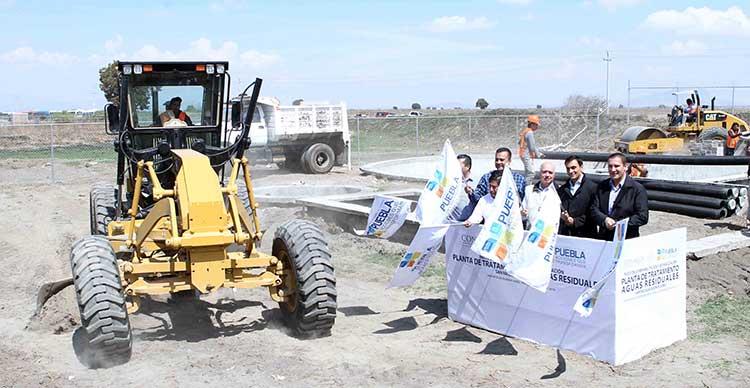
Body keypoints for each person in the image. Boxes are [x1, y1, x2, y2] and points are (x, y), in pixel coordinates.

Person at [590, 152, 649, 240]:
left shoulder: (637, 189)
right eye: (610, 166)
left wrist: (618, 224)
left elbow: (642, 216)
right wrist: (605, 220)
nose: (613, 169)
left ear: (625, 167)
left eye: (616, 166)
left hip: (626, 239)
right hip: (604, 239)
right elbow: (594, 209)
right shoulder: (602, 187)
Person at [558, 156, 598, 238]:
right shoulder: (562, 190)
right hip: (567, 235)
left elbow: (594, 212)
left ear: (581, 167)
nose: (570, 171)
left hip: (586, 235)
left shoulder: (593, 188)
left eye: (573, 168)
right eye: (568, 168)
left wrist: (575, 221)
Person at [518, 115, 544, 181]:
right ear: (532, 124)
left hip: (523, 154)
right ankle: (527, 187)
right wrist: (539, 154)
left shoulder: (525, 131)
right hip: (526, 155)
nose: (537, 126)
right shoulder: (530, 133)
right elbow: (532, 147)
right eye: (536, 125)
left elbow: (520, 142)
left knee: (528, 172)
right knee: (530, 173)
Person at [452, 153, 475, 221]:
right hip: (452, 223)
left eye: (458, 165)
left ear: (467, 167)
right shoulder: (451, 182)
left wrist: (471, 193)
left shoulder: (477, 182)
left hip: (471, 224)